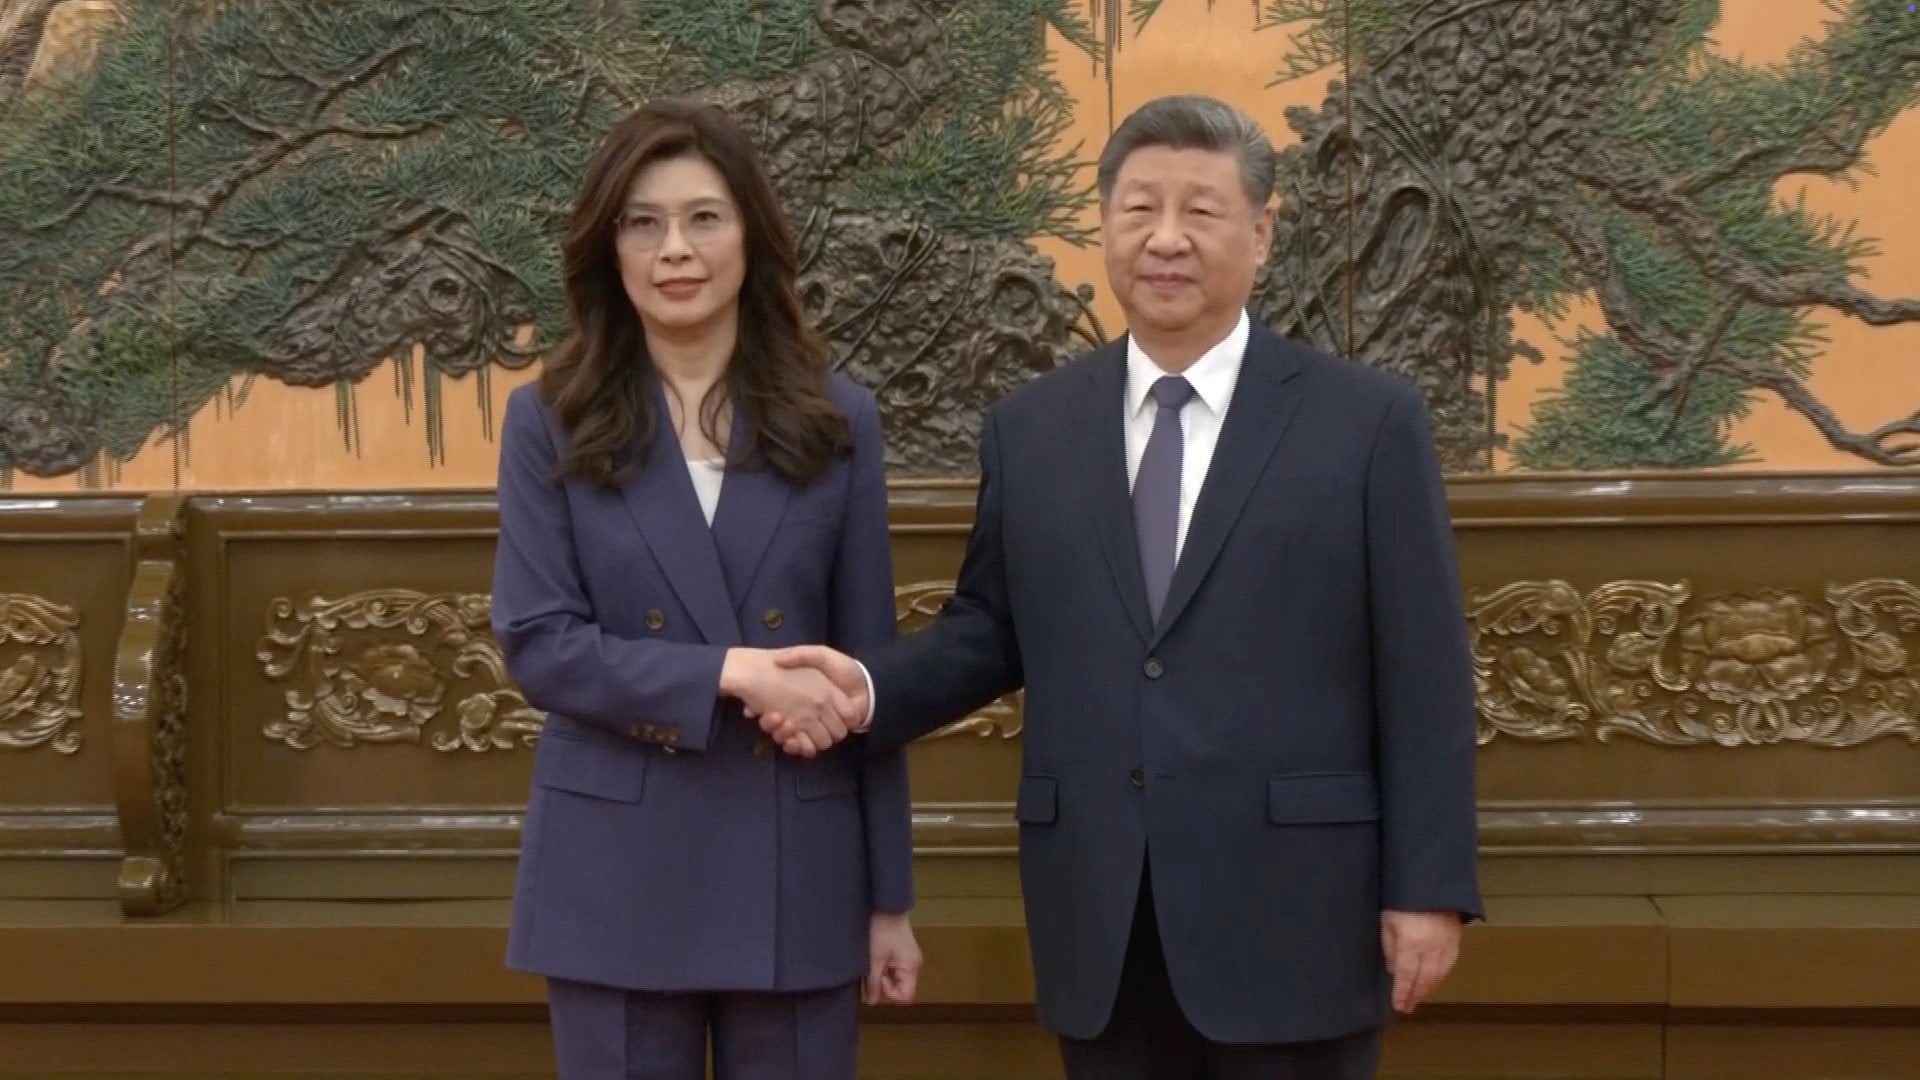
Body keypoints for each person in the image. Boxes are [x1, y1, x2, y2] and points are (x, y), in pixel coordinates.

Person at [764, 94, 1482, 1080]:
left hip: (1298, 915)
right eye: (1139, 209)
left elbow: (1426, 671)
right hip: (1103, 912)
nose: (1167, 239)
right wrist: (867, 690)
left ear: (1263, 234)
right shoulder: (1034, 428)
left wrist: (1429, 888)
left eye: (1202, 210)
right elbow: (990, 629)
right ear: (1103, 229)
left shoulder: (1366, 424)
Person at [490, 98, 920, 1080]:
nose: (674, 249)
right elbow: (541, 642)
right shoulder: (548, 419)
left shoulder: (835, 418)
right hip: (615, 872)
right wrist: (735, 672)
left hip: (800, 869)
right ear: (609, 250)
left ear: (751, 239)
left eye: (703, 218)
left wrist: (889, 898)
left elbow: (869, 678)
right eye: (643, 223)